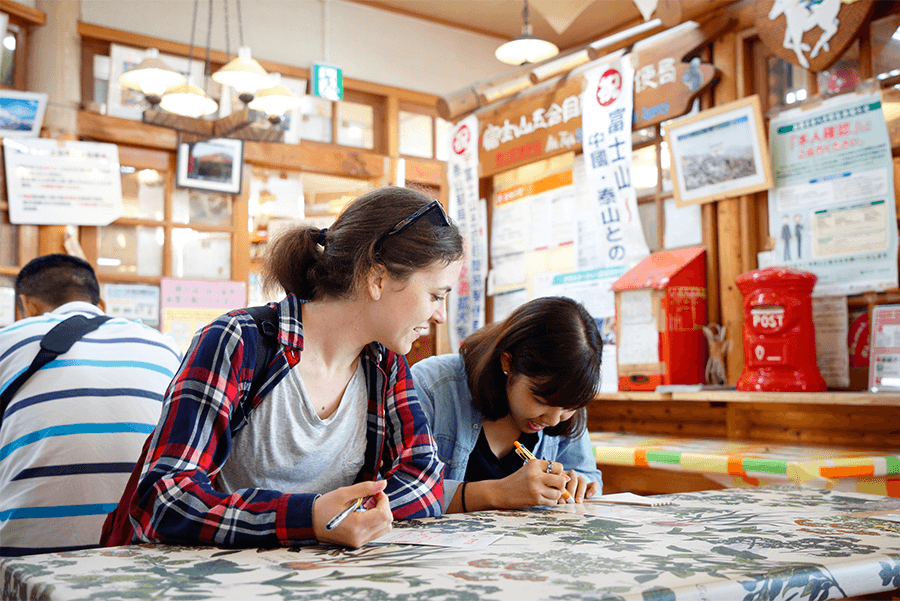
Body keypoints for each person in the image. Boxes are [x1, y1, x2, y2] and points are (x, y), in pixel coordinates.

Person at [109, 186, 464, 550]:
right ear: (377, 278)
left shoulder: (384, 364)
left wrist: (340, 516)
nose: (440, 316)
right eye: (436, 296)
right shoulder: (238, 341)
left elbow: (424, 479)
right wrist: (309, 517)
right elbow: (164, 497)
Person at [0, 254, 182, 556]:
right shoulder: (164, 345)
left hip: (26, 564)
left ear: (28, 305)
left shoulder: (7, 341)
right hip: (145, 552)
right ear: (101, 307)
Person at [412, 296, 604, 513]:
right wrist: (500, 492)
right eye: (541, 401)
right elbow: (397, 493)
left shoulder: (567, 398)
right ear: (507, 362)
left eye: (568, 407)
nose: (552, 420)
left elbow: (589, 478)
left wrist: (580, 486)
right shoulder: (432, 386)